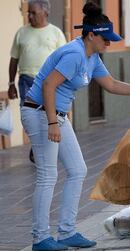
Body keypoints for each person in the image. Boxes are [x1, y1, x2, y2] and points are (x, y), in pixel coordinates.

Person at [22, 2, 130, 251]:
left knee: (77, 169)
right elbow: (48, 86)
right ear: (91, 35)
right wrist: (53, 122)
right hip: (40, 112)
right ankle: (40, 238)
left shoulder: (92, 56)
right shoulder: (75, 54)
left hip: (56, 114)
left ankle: (66, 232)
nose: (109, 43)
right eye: (105, 39)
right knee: (48, 175)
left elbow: (111, 84)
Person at [7, 0, 66, 163]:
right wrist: (11, 83)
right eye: (28, 13)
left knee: (48, 116)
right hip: (27, 80)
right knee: (28, 116)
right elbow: (14, 59)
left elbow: (64, 60)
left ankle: (39, 147)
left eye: (33, 13)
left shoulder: (56, 33)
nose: (29, 16)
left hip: (50, 82)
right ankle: (37, 144)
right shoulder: (21, 32)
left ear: (45, 12)